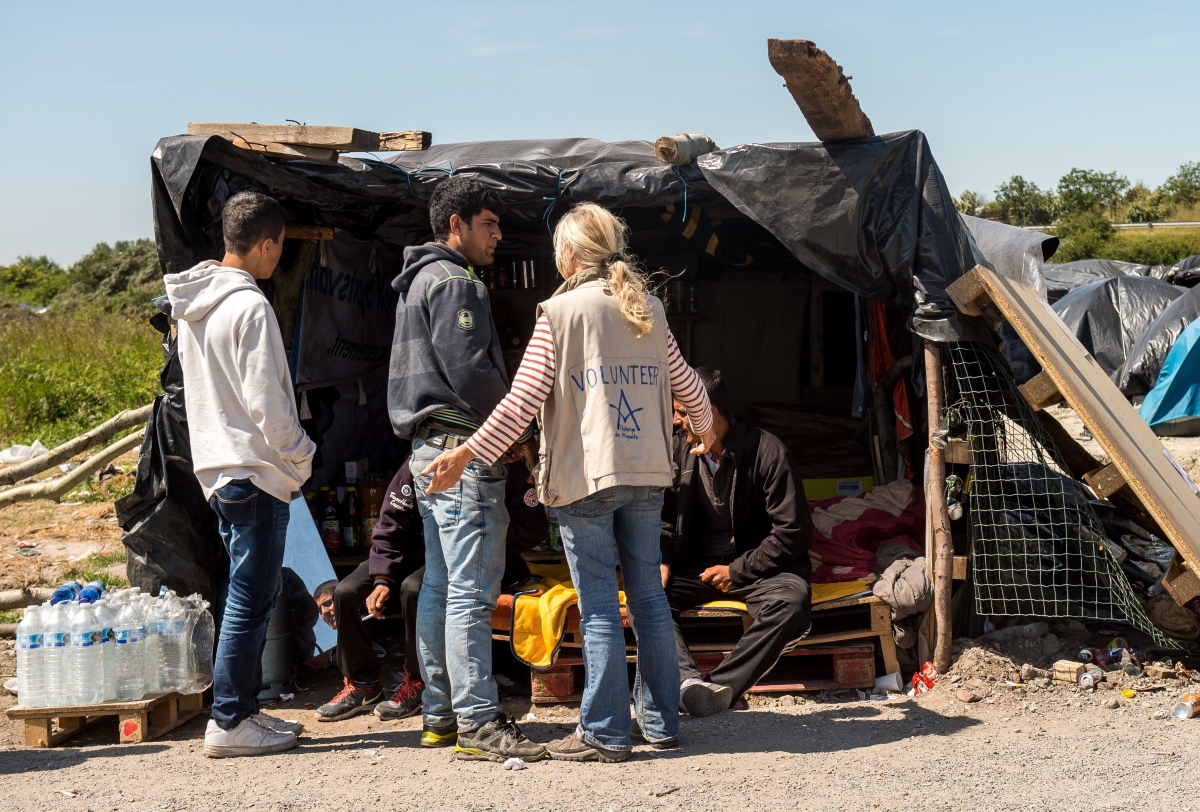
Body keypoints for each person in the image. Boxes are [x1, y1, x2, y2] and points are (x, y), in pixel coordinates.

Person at [423, 203, 716, 762]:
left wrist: (467, 452)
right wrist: (701, 433)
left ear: (572, 253)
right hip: (647, 472)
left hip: (587, 478)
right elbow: (690, 389)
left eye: (559, 246)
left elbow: (521, 403)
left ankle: (605, 731)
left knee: (600, 604)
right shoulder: (648, 306)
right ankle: (660, 724)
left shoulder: (559, 311)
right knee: (650, 598)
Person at [387, 175, 543, 761]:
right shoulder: (455, 282)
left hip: (427, 455)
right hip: (465, 455)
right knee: (472, 595)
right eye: (489, 224)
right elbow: (473, 373)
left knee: (441, 589)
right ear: (456, 225)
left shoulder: (415, 281)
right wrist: (520, 431)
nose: (498, 236)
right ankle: (479, 723)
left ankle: (441, 719)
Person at [165, 191, 317, 758]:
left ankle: (242, 711)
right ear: (267, 243)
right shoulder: (249, 306)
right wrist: (302, 454)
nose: (277, 261)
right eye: (279, 250)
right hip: (255, 471)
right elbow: (268, 405)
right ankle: (229, 720)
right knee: (252, 598)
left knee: (244, 593)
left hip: (218, 468)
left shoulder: (195, 305)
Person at [315, 458, 547, 723]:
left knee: (416, 589)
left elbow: (533, 527)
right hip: (415, 551)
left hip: (479, 552)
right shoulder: (423, 457)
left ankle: (419, 683)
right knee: (347, 592)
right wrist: (382, 578)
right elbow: (392, 520)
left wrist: (479, 536)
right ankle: (362, 684)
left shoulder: (505, 461)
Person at [660, 368, 813, 717]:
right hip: (696, 566)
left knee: (793, 601)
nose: (675, 420)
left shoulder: (769, 453)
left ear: (708, 411)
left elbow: (793, 532)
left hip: (758, 568)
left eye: (682, 412)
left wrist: (737, 570)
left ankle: (719, 687)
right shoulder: (675, 452)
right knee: (646, 595)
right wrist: (662, 559)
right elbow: (663, 518)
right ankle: (686, 683)